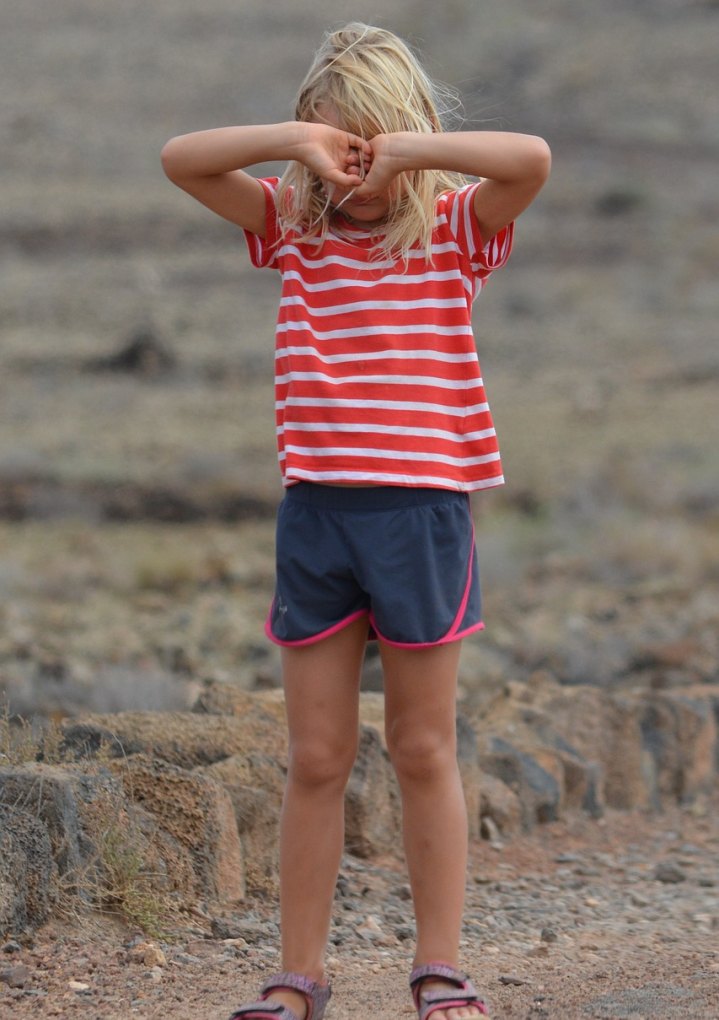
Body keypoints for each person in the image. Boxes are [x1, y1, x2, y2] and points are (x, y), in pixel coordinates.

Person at [161, 22, 550, 1020]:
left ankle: (439, 972)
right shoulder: (295, 226)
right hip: (318, 515)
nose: (354, 171)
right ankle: (298, 978)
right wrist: (297, 147)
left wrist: (412, 150)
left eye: (369, 147)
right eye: (338, 148)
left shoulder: (455, 227)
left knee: (422, 748)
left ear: (409, 141)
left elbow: (531, 161)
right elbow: (179, 160)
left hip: (421, 514)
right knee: (317, 758)